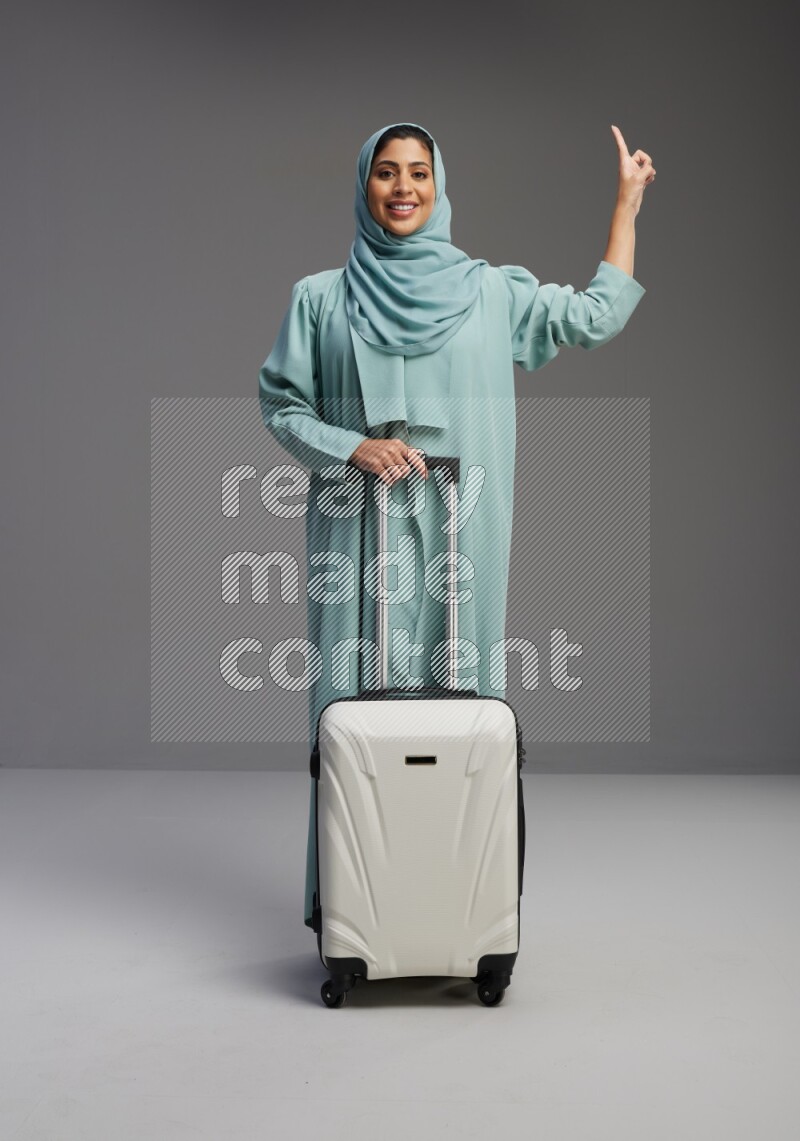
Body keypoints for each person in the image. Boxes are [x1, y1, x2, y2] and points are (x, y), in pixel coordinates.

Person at [258, 121, 654, 928]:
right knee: (350, 718)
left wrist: (626, 206)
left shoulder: (490, 292)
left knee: (463, 715)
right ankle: (350, 911)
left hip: (460, 544)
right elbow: (280, 405)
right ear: (364, 187)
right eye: (386, 174)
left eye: (419, 175)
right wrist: (351, 446)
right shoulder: (319, 299)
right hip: (356, 543)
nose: (403, 188)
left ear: (440, 191)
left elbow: (591, 319)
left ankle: (463, 911)